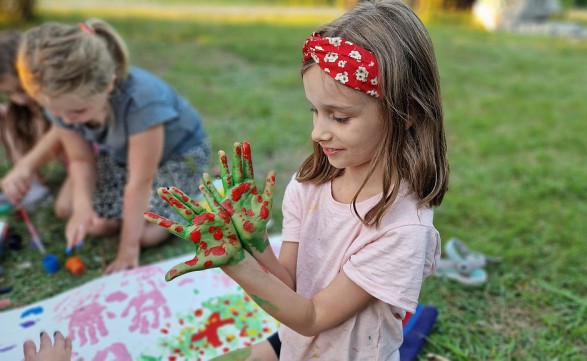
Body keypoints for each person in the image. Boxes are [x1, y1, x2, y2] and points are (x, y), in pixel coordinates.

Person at [147, 1, 448, 360]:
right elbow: (291, 285)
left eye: (339, 117)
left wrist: (236, 264)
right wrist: (255, 244)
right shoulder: (310, 185)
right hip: (297, 346)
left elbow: (314, 316)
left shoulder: (402, 229)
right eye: (314, 111)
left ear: (408, 112)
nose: (318, 132)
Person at [16, 18, 211, 274]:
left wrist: (127, 251)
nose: (65, 121)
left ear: (108, 84)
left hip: (176, 155)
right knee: (75, 212)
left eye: (76, 112)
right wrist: (83, 208)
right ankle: (129, 215)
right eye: (55, 112)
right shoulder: (62, 100)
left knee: (144, 237)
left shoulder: (142, 102)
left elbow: (139, 182)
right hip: (121, 154)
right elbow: (81, 160)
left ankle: (195, 195)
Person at [0, 30, 71, 213]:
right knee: (9, 117)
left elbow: (58, 132)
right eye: (9, 94)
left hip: (86, 164)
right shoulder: (20, 109)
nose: (19, 99)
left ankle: (26, 176)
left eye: (22, 89)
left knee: (65, 208)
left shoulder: (63, 103)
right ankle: (30, 185)